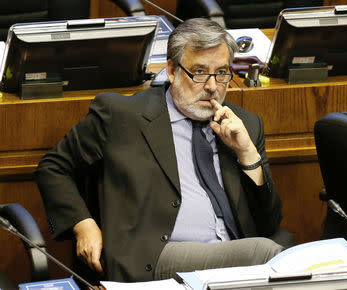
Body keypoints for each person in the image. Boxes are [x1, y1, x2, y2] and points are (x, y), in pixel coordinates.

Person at [35, 18, 284, 283]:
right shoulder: (122, 115)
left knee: (278, 250)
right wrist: (83, 224)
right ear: (172, 70)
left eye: (222, 73)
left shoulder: (245, 124)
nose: (212, 86)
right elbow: (53, 168)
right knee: (269, 254)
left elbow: (268, 224)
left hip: (235, 253)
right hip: (156, 257)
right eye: (199, 72)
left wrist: (248, 155)